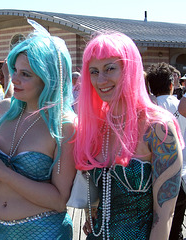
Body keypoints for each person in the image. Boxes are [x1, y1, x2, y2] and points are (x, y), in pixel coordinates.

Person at [0, 19, 76, 239]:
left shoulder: (64, 125)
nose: (14, 79)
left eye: (26, 74)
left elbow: (59, 200)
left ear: (48, 78)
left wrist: (5, 173)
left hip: (42, 232)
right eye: (15, 70)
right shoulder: (3, 110)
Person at [74, 32, 183, 240]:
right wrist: (93, 207)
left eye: (110, 68)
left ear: (129, 69)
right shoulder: (98, 125)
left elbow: (165, 216)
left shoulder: (159, 128)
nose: (101, 79)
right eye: (94, 71)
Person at [146, 62, 186, 240]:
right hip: (181, 175)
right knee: (175, 227)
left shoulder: (147, 110)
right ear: (171, 85)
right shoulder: (180, 105)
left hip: (149, 178)